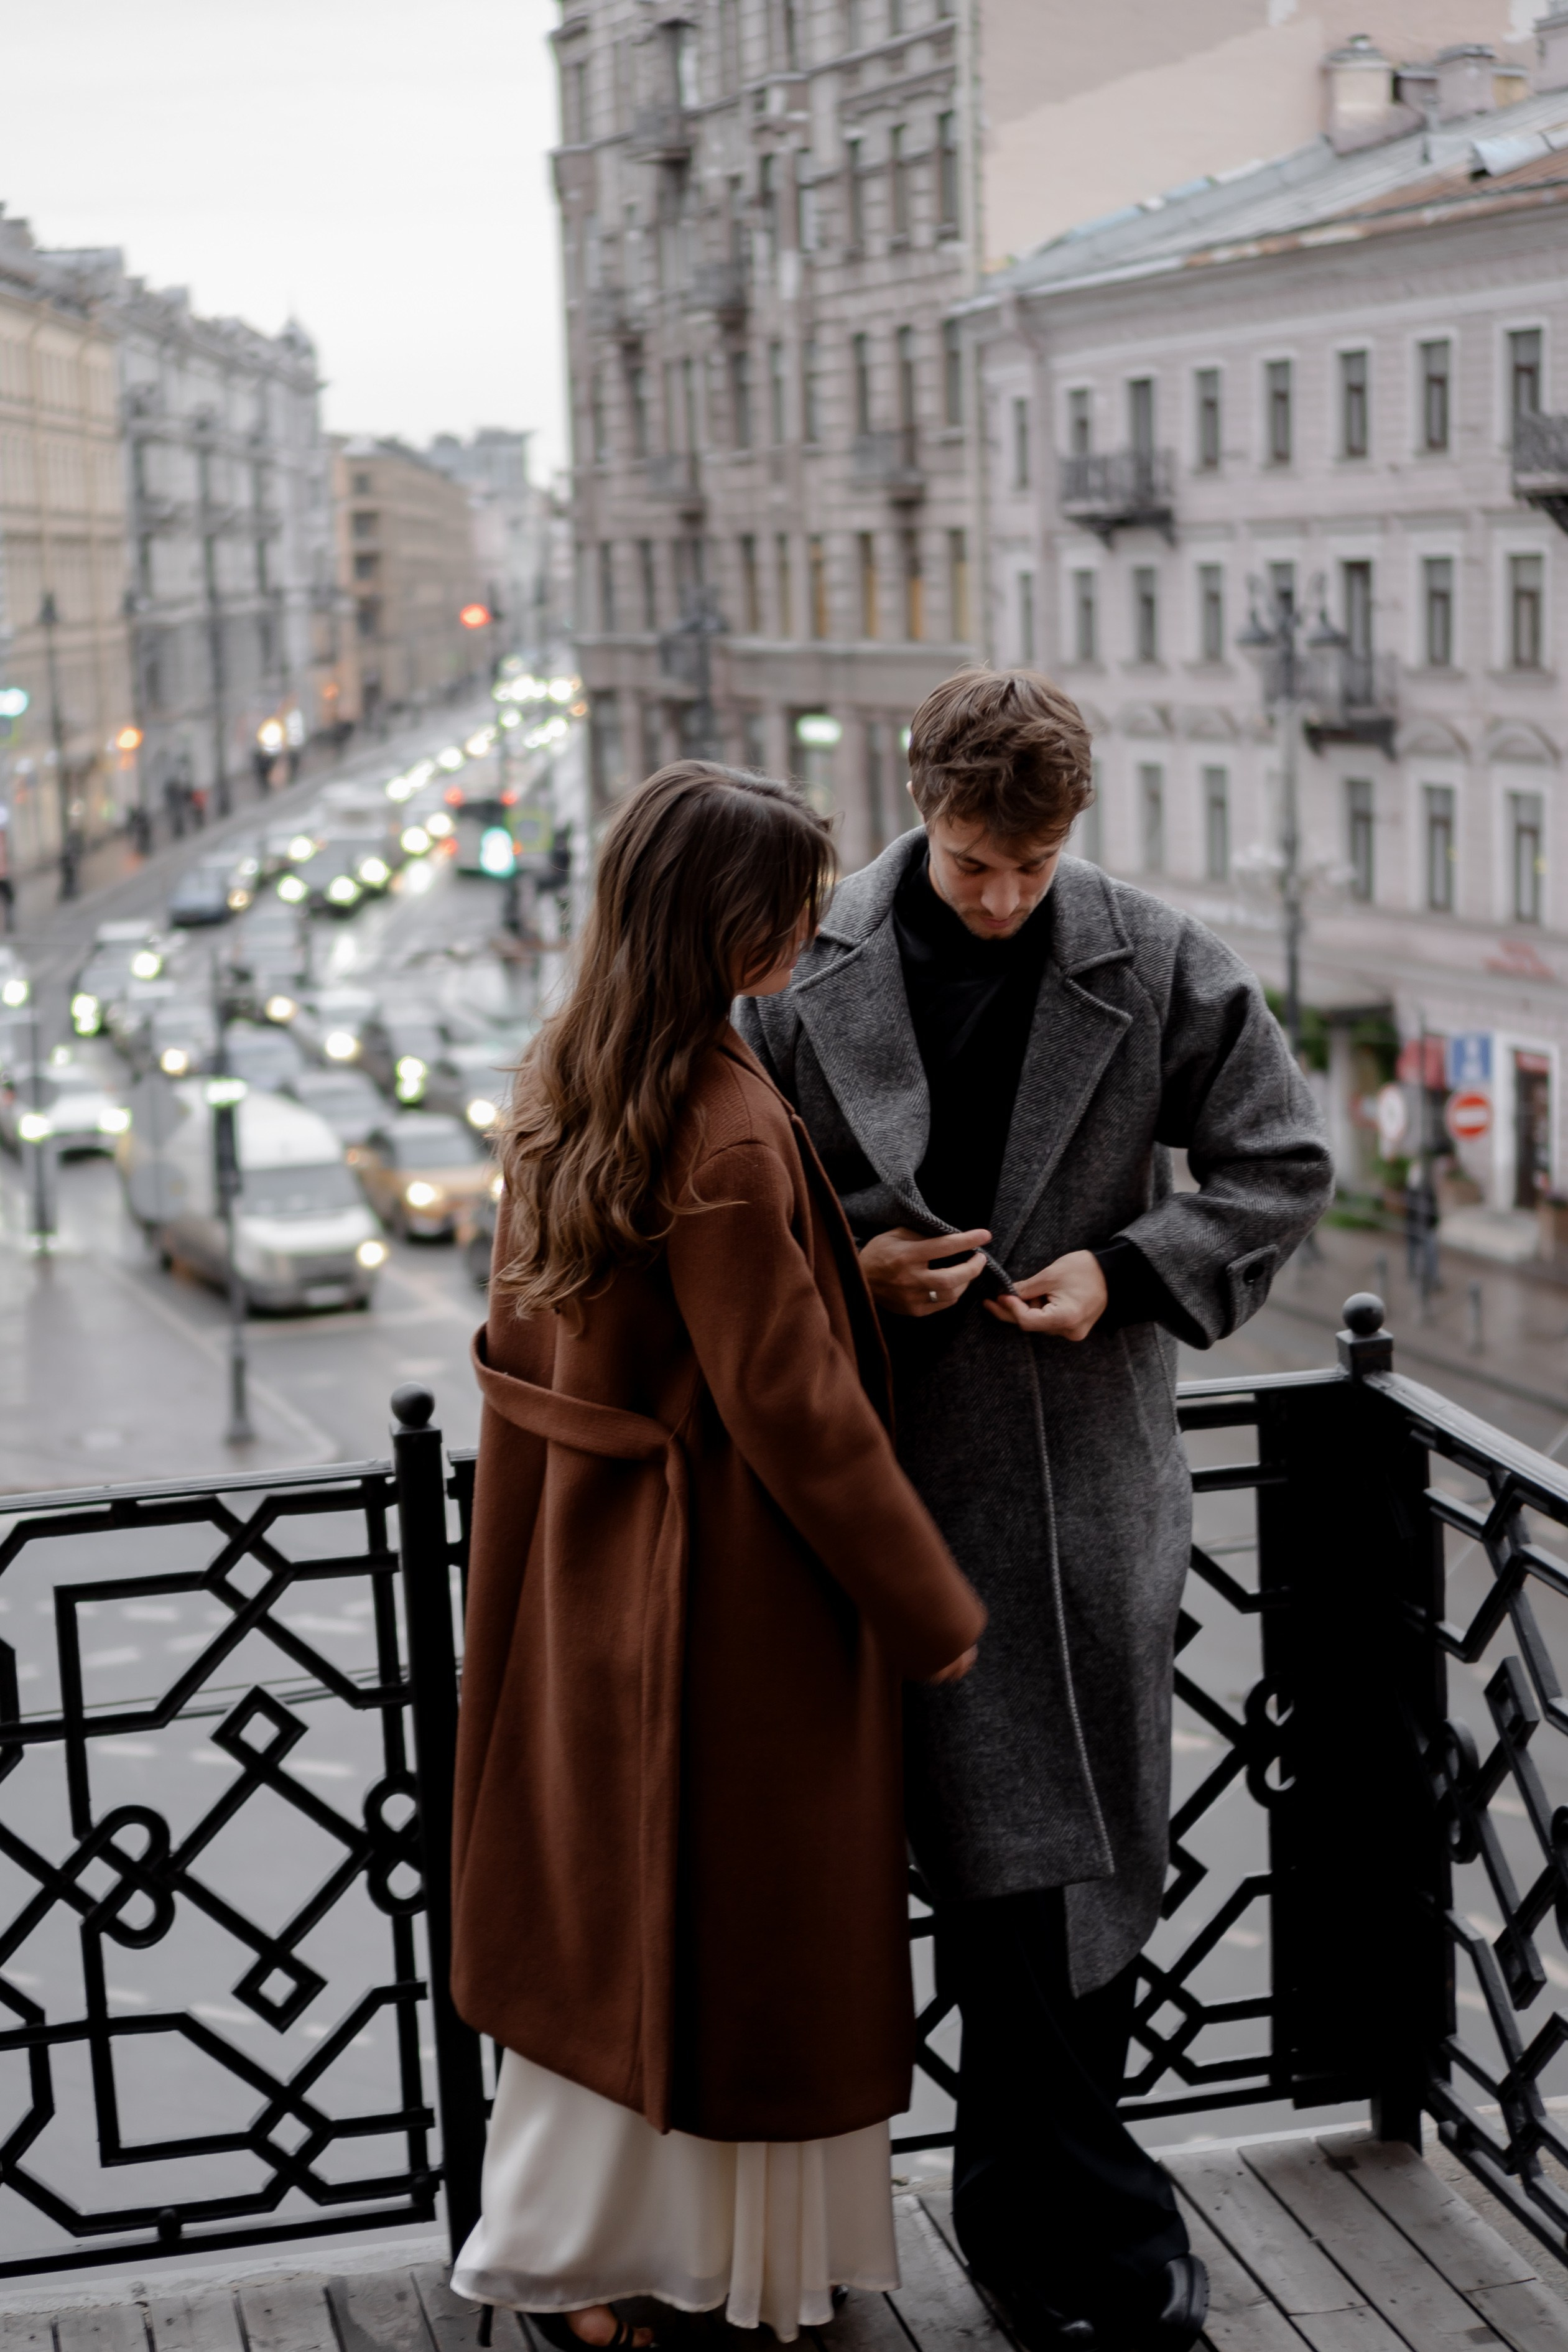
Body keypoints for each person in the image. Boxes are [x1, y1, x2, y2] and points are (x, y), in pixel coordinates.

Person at [737, 669, 1334, 2352]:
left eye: (1033, 864)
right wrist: (852, 1271)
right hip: (863, 1492)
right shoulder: (799, 965)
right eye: (973, 861)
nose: (1002, 895)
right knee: (900, 1873)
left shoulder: (1151, 955)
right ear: (918, 803)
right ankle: (1028, 2216)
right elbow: (727, 1203)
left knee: (1068, 1868)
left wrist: (1124, 1271)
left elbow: (1280, 1161)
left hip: (1081, 1491)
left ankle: (1054, 2213)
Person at [450, 761, 986, 2350]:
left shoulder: (577, 1069)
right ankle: (716, 2271)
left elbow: (621, 1324)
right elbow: (793, 1410)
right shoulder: (727, 1117)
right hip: (726, 1607)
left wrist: (839, 1274)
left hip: (590, 1577)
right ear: (723, 922)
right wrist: (929, 1608)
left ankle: (591, 2256)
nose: (814, 930)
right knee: (737, 1944)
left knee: (605, 1940)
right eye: (792, 906)